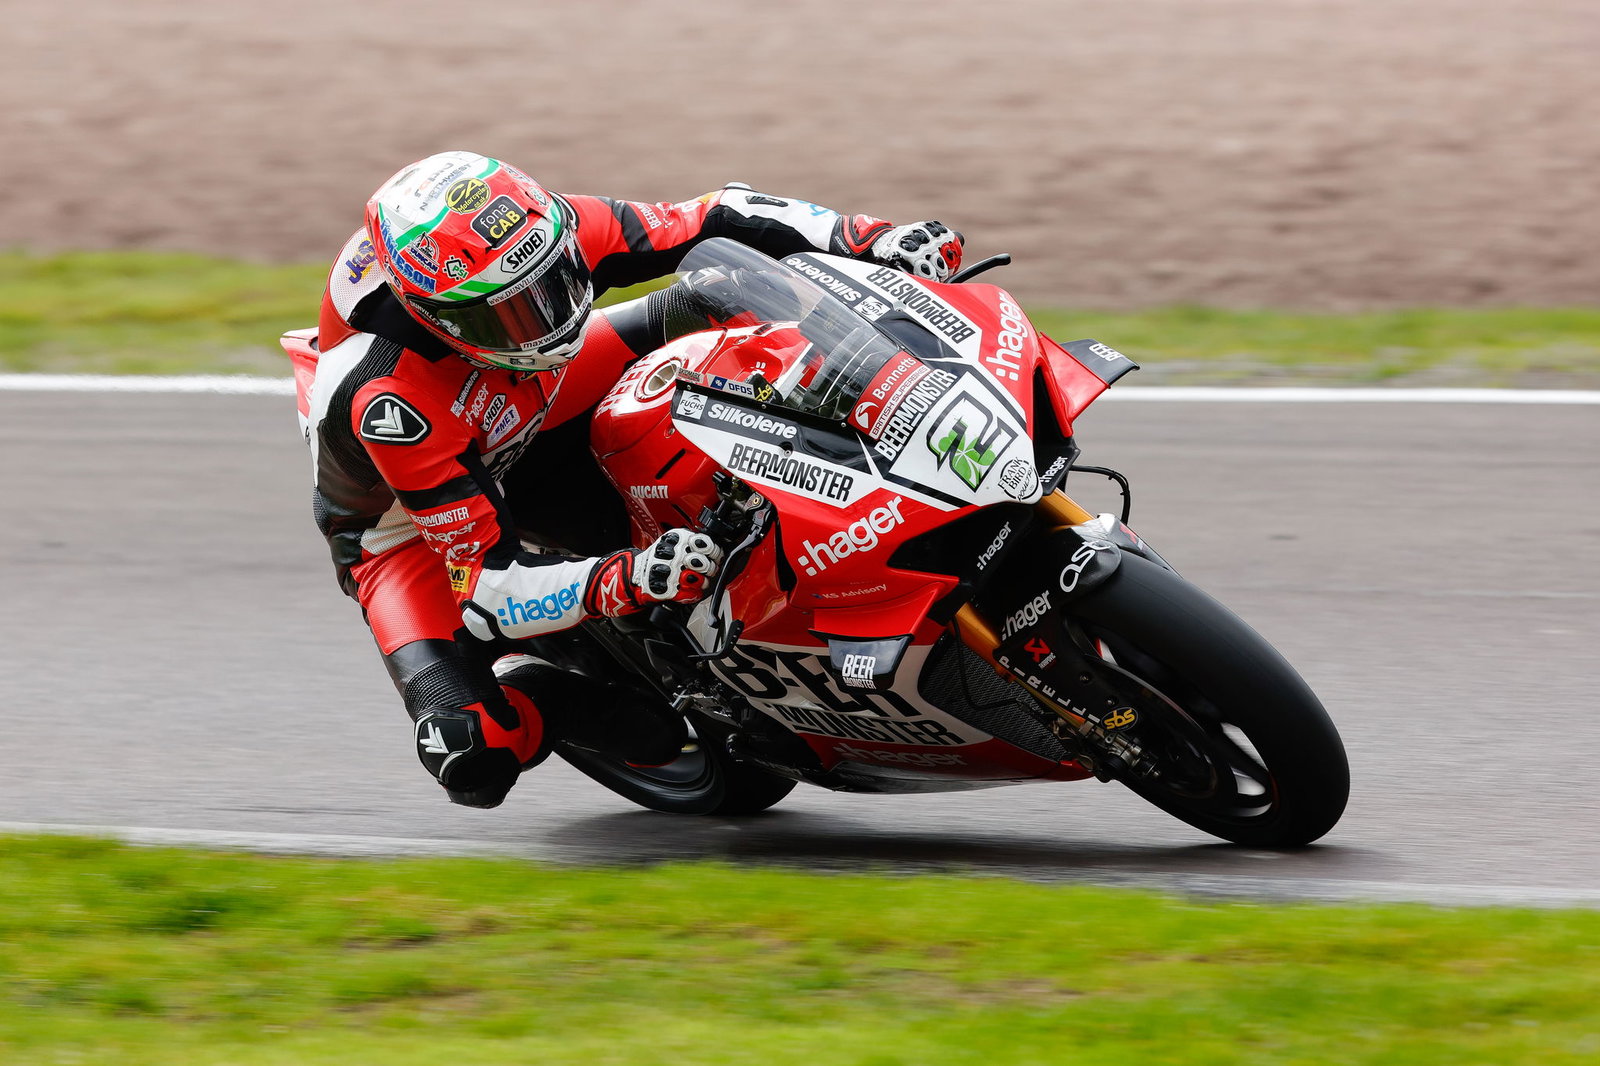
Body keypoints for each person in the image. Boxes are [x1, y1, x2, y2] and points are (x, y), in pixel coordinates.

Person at [297, 150, 963, 808]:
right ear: (435, 316)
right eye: (507, 312)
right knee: (469, 748)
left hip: (531, 392)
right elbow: (490, 592)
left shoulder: (541, 229)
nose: (544, 318)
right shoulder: (389, 401)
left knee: (723, 292)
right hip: (408, 530)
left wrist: (875, 241)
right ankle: (554, 701)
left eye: (552, 282)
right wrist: (634, 576)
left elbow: (713, 214)